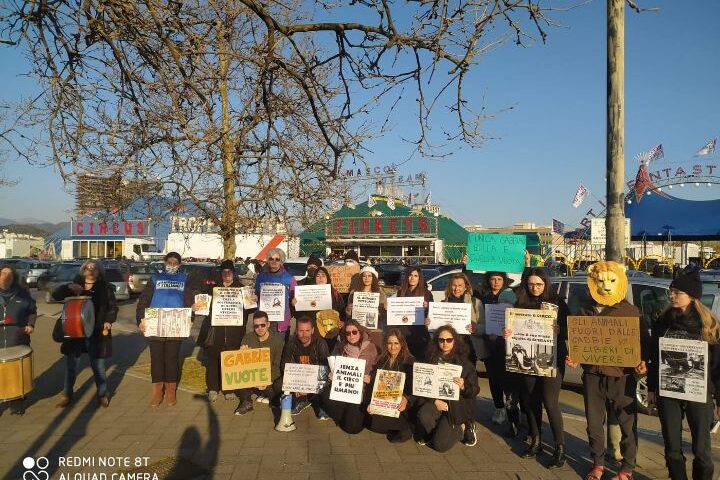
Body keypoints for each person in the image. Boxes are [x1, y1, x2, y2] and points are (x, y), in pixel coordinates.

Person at [565, 261, 649, 480]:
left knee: (627, 425)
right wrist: (575, 357)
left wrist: (643, 361)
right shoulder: (585, 309)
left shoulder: (631, 312)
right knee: (593, 424)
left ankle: (627, 468)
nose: (606, 285)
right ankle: (598, 464)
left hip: (622, 377)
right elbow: (579, 342)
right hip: (593, 376)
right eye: (600, 280)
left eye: (611, 280)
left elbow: (644, 344)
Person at [647, 268, 720, 480]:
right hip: (668, 392)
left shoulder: (708, 325)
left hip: (699, 394)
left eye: (677, 292)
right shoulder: (663, 320)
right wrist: (652, 388)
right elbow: (654, 356)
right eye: (671, 291)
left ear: (692, 296)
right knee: (672, 447)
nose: (672, 295)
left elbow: (717, 365)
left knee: (702, 450)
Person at [505, 267, 568, 469]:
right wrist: (508, 332)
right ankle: (536, 440)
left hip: (552, 360)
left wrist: (560, 329)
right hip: (527, 359)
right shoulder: (520, 303)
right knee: (531, 400)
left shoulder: (557, 302)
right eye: (531, 284)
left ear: (545, 284)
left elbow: (571, 328)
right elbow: (514, 330)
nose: (535, 288)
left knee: (550, 402)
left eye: (539, 284)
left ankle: (560, 447)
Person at [53, 260, 117, 408]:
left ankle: (102, 394)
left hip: (95, 332)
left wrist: (108, 320)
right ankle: (67, 394)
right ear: (82, 271)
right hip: (74, 331)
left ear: (99, 272)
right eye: (87, 268)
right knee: (71, 366)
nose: (90, 270)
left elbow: (112, 307)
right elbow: (56, 295)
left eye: (94, 268)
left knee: (98, 366)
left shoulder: (105, 288)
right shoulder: (75, 285)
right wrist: (68, 287)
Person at [136, 252, 195, 407]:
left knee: (171, 360)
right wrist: (140, 319)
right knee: (156, 360)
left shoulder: (184, 279)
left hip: (175, 326)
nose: (172, 265)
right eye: (170, 262)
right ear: (165, 262)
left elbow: (190, 301)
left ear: (180, 265)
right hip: (155, 325)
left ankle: (170, 391)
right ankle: (157, 392)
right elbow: (144, 300)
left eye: (175, 263)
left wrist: (191, 317)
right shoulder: (155, 278)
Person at [415, 325, 479, 451]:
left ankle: (464, 427)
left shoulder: (465, 363)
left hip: (455, 407)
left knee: (440, 446)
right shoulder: (430, 360)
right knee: (423, 415)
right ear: (436, 341)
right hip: (436, 402)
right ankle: (437, 429)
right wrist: (434, 401)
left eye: (449, 340)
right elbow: (421, 387)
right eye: (441, 340)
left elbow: (475, 390)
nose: (445, 343)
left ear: (455, 341)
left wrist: (463, 386)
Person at [198, 260, 246, 402]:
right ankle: (213, 388)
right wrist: (197, 306)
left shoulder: (242, 289)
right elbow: (203, 306)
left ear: (233, 273)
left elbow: (250, 309)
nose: (226, 275)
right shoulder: (213, 289)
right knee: (213, 361)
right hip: (215, 331)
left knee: (230, 361)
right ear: (221, 274)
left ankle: (229, 389)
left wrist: (252, 301)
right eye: (224, 272)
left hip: (234, 332)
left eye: (229, 272)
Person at [323, 319, 378, 434]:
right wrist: (332, 374)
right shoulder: (341, 347)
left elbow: (379, 370)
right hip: (345, 388)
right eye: (348, 333)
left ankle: (352, 417)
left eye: (354, 332)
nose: (351, 335)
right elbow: (334, 366)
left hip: (363, 391)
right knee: (324, 396)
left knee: (353, 428)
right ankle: (346, 415)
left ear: (360, 332)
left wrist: (370, 378)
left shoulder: (371, 348)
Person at [479, 271, 516, 426]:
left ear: (504, 281)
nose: (496, 282)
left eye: (499, 279)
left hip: (508, 346)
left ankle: (512, 408)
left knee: (508, 380)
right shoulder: (484, 297)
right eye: (493, 279)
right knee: (493, 379)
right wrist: (465, 265)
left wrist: (527, 265)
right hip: (490, 346)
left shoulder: (511, 296)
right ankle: (499, 407)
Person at [367, 329, 415, 443]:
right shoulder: (382, 359)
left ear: (402, 344)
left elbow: (413, 388)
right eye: (390, 343)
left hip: (401, 404)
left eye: (396, 343)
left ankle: (406, 426)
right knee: (374, 426)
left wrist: (406, 398)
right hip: (384, 402)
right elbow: (375, 384)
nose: (393, 347)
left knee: (403, 433)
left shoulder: (410, 361)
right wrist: (372, 401)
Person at [0, 264, 37, 415]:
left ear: (13, 278)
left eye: (9, 274)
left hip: (17, 337)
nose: (6, 276)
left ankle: (16, 403)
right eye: (3, 273)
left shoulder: (22, 294)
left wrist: (30, 325)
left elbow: (33, 311)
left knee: (16, 371)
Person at [234, 311, 286, 415]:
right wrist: (241, 354)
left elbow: (277, 366)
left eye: (263, 325)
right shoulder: (248, 338)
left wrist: (266, 380)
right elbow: (243, 366)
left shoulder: (278, 340)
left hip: (270, 377)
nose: (260, 328)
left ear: (268, 324)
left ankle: (269, 397)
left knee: (277, 387)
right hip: (252, 376)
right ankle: (246, 401)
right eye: (256, 326)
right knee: (237, 377)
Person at [281, 316, 330, 418]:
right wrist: (296, 386)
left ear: (312, 330)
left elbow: (325, 371)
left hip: (317, 379)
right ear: (296, 331)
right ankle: (304, 400)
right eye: (301, 331)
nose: (304, 334)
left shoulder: (320, 344)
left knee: (327, 384)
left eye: (307, 330)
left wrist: (309, 387)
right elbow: (285, 366)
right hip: (298, 379)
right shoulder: (291, 344)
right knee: (278, 385)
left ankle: (320, 404)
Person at [294, 266, 346, 351]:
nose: (320, 278)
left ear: (327, 278)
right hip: (314, 333)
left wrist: (343, 322)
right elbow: (299, 315)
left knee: (327, 355)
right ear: (315, 278)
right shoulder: (307, 293)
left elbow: (342, 311)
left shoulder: (335, 294)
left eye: (323, 275)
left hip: (330, 333)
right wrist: (295, 304)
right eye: (318, 276)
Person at [255, 248, 296, 339]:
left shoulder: (289, 278)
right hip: (264, 321)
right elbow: (257, 295)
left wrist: (294, 302)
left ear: (281, 261)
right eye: (271, 259)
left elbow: (294, 299)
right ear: (268, 261)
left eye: (277, 259)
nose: (274, 261)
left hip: (281, 322)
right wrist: (254, 298)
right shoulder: (260, 277)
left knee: (280, 350)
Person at [395, 267, 433, 361]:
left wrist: (428, 306)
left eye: (415, 276)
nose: (412, 278)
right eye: (410, 275)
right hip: (403, 333)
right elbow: (395, 312)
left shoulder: (427, 294)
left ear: (419, 278)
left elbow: (432, 315)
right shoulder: (400, 292)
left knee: (419, 363)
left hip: (420, 335)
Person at [346, 266, 387, 348]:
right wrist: (348, 309)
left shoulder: (380, 293)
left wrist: (384, 309)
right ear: (361, 278)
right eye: (364, 276)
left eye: (370, 276)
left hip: (374, 329)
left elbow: (383, 316)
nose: (367, 278)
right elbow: (348, 316)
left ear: (374, 278)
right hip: (358, 330)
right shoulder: (354, 292)